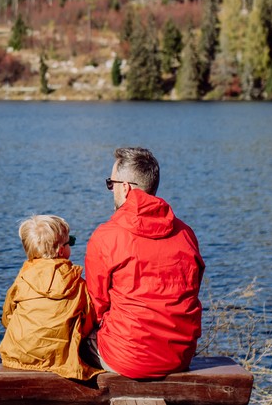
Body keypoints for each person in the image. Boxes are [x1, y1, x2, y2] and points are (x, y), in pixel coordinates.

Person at [83, 147, 204, 378]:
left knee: (74, 347)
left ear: (125, 187)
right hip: (179, 356)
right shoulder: (186, 234)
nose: (111, 190)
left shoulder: (106, 236)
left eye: (110, 184)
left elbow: (96, 306)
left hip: (127, 357)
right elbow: (191, 291)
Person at [0, 215, 101, 380]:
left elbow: (7, 317)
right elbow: (87, 322)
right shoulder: (77, 284)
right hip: (60, 361)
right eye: (70, 242)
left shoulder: (22, 280)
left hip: (18, 356)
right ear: (61, 250)